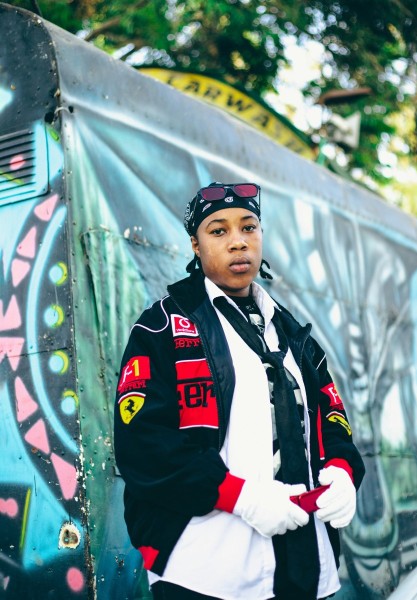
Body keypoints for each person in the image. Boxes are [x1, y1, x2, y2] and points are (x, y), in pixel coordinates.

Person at [114, 182, 365, 600]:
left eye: (249, 228)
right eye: (219, 231)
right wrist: (242, 496)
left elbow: (332, 417)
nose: (238, 243)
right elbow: (142, 444)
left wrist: (342, 471)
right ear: (195, 245)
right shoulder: (161, 328)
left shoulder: (291, 331)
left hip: (304, 565)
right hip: (204, 570)